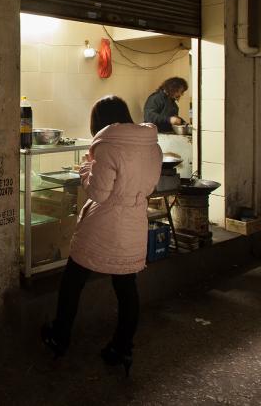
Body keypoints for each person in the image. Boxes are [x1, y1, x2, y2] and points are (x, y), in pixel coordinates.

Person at [41, 96, 162, 376]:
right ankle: (121, 348)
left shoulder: (107, 147)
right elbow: (150, 187)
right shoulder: (152, 146)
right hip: (133, 224)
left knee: (72, 282)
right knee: (127, 289)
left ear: (99, 121)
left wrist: (86, 167)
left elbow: (98, 192)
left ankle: (59, 338)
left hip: (104, 225)